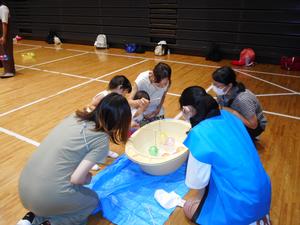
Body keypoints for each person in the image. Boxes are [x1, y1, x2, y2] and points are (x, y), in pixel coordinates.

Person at [17, 93, 131, 225]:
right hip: (46, 197)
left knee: (64, 193)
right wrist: (87, 177)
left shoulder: (75, 117)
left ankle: (31, 217)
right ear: (119, 122)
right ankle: (49, 223)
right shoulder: (100, 139)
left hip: (24, 189)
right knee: (92, 201)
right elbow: (77, 179)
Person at [179, 86, 272, 225]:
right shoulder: (229, 116)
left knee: (189, 206)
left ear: (186, 110)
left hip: (242, 207)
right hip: (263, 195)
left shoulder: (199, 135)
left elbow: (196, 183)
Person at [211, 66, 267, 141]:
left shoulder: (243, 99)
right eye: (213, 84)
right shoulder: (223, 92)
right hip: (236, 118)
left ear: (230, 85)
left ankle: (250, 137)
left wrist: (232, 111)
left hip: (254, 127)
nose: (214, 87)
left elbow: (254, 125)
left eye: (217, 85)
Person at [86, 75, 132, 160]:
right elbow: (91, 105)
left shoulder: (113, 98)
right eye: (124, 92)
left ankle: (105, 151)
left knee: (105, 136)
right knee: (93, 140)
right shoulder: (104, 95)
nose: (124, 95)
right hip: (94, 120)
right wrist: (102, 114)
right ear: (120, 88)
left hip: (103, 120)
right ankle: (89, 159)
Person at [0, 2, 15, 78]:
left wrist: (4, 36)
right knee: (2, 53)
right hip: (1, 35)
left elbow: (4, 23)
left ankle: (9, 71)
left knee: (6, 52)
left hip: (5, 35)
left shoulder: (3, 8)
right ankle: (5, 67)